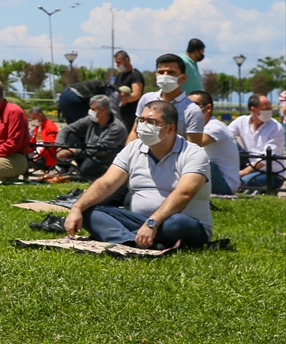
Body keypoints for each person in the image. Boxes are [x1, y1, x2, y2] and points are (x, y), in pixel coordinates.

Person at [65, 100, 212, 250]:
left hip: (177, 224)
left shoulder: (194, 154)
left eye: (152, 122)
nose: (143, 125)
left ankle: (127, 239)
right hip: (140, 222)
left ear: (170, 129)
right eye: (141, 120)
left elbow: (184, 194)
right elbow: (106, 183)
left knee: (181, 222)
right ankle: (132, 242)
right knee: (89, 209)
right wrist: (76, 207)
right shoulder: (133, 148)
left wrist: (152, 223)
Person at [130, 54, 204, 145]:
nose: (165, 76)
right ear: (156, 75)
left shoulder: (192, 111)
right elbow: (134, 132)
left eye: (171, 72)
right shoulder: (146, 99)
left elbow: (193, 147)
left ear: (183, 78)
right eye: (161, 72)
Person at [52, 94, 128, 179]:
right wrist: (60, 146)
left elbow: (99, 149)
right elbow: (66, 130)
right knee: (70, 135)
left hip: (105, 160)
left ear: (102, 110)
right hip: (88, 154)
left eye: (93, 109)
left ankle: (79, 174)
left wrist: (72, 151)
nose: (90, 111)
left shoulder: (117, 127)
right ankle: (63, 167)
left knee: (86, 170)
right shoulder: (91, 120)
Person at [188, 91, 241, 196]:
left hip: (225, 183)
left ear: (208, 108)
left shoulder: (216, 127)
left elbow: (194, 143)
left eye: (194, 105)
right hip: (211, 177)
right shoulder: (199, 127)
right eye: (186, 105)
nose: (188, 109)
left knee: (198, 161)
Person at [229, 93, 285, 191]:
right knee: (228, 140)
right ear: (253, 110)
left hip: (271, 173)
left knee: (242, 182)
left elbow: (266, 158)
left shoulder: (275, 127)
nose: (269, 111)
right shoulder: (241, 121)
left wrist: (242, 173)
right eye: (266, 108)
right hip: (250, 166)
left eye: (270, 107)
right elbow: (224, 135)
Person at [110, 50, 144, 132]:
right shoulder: (119, 75)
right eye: (116, 63)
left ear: (127, 60)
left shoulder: (135, 75)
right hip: (120, 113)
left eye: (119, 62)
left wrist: (125, 99)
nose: (117, 65)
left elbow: (136, 94)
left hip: (131, 114)